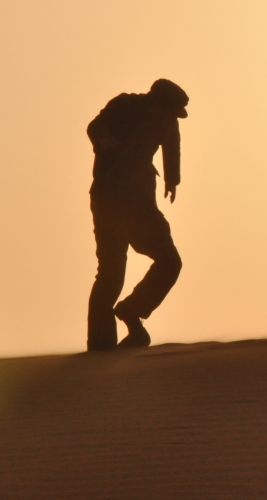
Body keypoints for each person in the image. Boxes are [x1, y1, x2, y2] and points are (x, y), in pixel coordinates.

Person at [85, 79, 188, 351]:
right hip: (109, 200)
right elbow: (94, 126)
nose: (170, 119)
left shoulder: (168, 120)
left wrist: (172, 180)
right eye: (168, 112)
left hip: (142, 204)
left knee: (170, 262)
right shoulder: (125, 104)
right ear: (156, 103)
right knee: (111, 272)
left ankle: (132, 310)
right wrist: (103, 141)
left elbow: (172, 147)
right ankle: (100, 344)